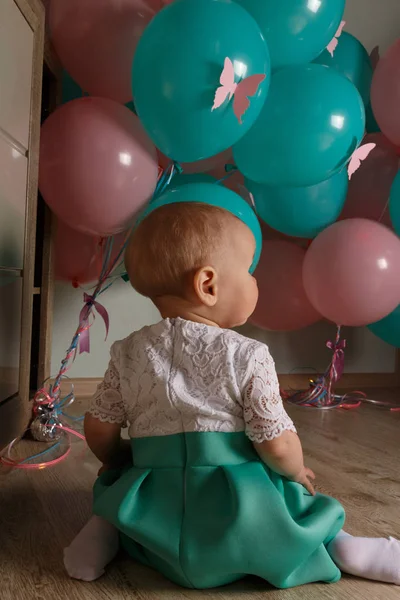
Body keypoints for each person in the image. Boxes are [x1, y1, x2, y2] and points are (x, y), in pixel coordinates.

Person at [64, 193, 400, 589]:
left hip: (160, 504)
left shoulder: (127, 350)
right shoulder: (248, 354)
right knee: (294, 502)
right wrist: (295, 472)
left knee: (119, 495)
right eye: (249, 270)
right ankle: (342, 546)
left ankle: (105, 532)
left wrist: (121, 459)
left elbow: (99, 428)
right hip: (236, 508)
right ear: (208, 284)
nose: (255, 281)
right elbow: (276, 443)